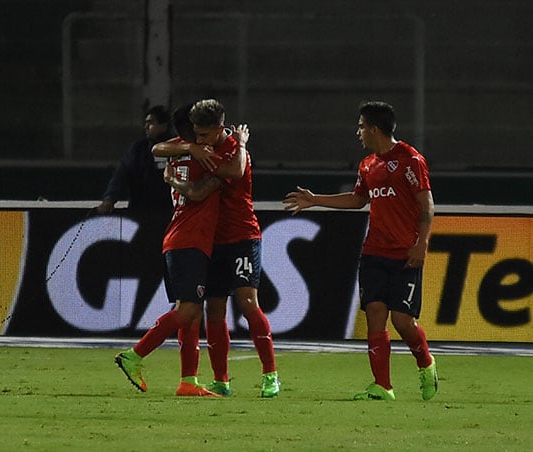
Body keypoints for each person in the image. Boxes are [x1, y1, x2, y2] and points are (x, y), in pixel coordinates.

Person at [283, 101, 438, 401]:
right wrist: (315, 200)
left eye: (361, 127)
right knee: (376, 314)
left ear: (374, 129)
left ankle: (426, 362)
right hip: (374, 253)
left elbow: (427, 207)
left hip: (405, 253)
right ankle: (383, 386)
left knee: (403, 321)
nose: (359, 132)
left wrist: (422, 243)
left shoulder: (410, 160)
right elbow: (357, 201)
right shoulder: (367, 165)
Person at [114, 99, 238, 396]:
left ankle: (188, 381)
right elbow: (203, 189)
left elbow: (158, 148)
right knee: (190, 309)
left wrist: (173, 171)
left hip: (181, 237)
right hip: (190, 240)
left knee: (190, 312)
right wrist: (237, 144)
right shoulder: (203, 155)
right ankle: (135, 355)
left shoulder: (180, 151)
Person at [158, 122, 280, 398]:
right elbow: (157, 147)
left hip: (242, 236)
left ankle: (270, 375)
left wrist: (175, 179)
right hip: (212, 241)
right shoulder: (202, 149)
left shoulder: (234, 151)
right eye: (196, 135)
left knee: (248, 301)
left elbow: (230, 173)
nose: (200, 139)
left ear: (218, 129)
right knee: (214, 309)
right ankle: (221, 380)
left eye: (203, 134)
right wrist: (189, 147)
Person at [96, 105, 174, 214]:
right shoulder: (138, 149)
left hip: (170, 213)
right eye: (145, 122)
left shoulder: (178, 148)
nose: (146, 126)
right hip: (141, 211)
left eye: (151, 122)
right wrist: (109, 199)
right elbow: (121, 175)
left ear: (164, 126)